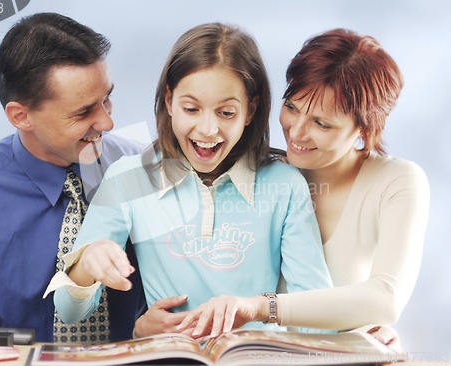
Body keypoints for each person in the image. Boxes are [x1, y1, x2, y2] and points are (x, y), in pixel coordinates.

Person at [46, 22, 334, 338]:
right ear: (169, 101)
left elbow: (317, 311)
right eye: (191, 108)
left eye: (226, 113)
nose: (207, 129)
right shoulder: (131, 178)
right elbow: (70, 311)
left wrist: (364, 331)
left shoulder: (285, 184)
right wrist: (88, 264)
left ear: (250, 111)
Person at [174, 28, 430, 345]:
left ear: (364, 129)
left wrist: (261, 307)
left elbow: (385, 298)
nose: (296, 133)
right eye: (292, 108)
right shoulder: (262, 174)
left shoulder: (396, 181)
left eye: (322, 124)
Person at [0, 12, 145, 343]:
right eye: (84, 112)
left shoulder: (141, 169)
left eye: (107, 99)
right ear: (21, 116)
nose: (108, 123)